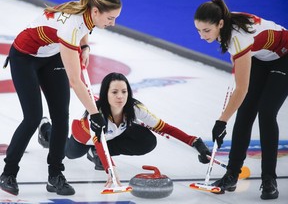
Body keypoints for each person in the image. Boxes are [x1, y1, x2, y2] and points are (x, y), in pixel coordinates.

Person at [0, 0, 121, 196]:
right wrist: (95, 114)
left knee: (61, 117)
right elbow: (75, 81)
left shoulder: (85, 14)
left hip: (51, 54)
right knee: (32, 118)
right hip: (24, 58)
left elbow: (83, 28)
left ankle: (55, 175)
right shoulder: (71, 27)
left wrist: (85, 47)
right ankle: (8, 173)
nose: (113, 23)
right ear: (95, 11)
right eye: (110, 18)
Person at [38, 72, 212, 187]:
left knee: (147, 140)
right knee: (69, 152)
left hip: (113, 135)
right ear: (106, 94)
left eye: (124, 91)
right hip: (85, 136)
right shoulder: (97, 115)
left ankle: (96, 156)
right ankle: (46, 130)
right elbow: (99, 142)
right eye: (114, 92)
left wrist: (195, 142)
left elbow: (166, 128)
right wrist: (111, 170)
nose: (120, 96)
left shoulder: (135, 108)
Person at [194, 0, 288, 200]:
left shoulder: (238, 37)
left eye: (206, 31)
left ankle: (269, 180)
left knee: (266, 111)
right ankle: (231, 176)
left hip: (285, 57)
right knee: (245, 112)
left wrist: (221, 121)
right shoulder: (225, 23)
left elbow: (241, 89)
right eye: (199, 30)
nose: (202, 36)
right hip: (263, 57)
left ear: (220, 24)